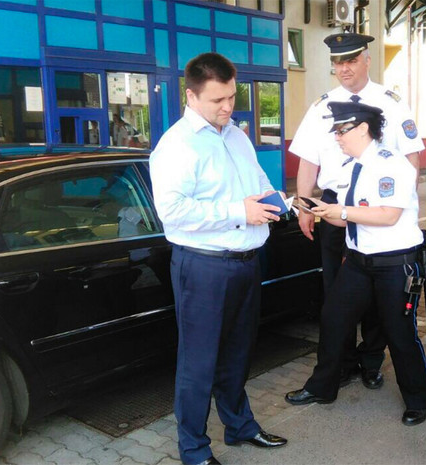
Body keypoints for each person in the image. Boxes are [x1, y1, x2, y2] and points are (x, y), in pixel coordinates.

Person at [149, 52, 287, 465]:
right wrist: (237, 211)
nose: (228, 107)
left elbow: (257, 181)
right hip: (203, 266)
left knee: (238, 353)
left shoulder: (236, 136)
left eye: (231, 96)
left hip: (246, 260)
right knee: (199, 363)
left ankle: (239, 426)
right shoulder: (177, 145)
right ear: (191, 97)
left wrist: (278, 201)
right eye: (217, 100)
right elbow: (172, 212)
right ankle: (193, 449)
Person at [289, 32, 424, 390]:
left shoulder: (391, 103)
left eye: (350, 60)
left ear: (367, 60)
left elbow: (411, 158)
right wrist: (304, 207)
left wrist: (403, 207)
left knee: (381, 296)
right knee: (338, 292)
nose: (344, 68)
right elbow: (308, 161)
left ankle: (371, 360)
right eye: (337, 62)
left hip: (376, 209)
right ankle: (342, 364)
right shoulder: (321, 107)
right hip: (333, 206)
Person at [285, 101, 426, 426]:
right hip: (358, 261)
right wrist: (315, 208)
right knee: (333, 319)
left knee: (399, 332)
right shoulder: (353, 166)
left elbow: (388, 215)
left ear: (363, 129)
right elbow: (346, 217)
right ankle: (322, 387)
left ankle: (417, 399)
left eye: (342, 130)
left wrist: (341, 212)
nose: (337, 137)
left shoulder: (393, 165)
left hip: (394, 264)